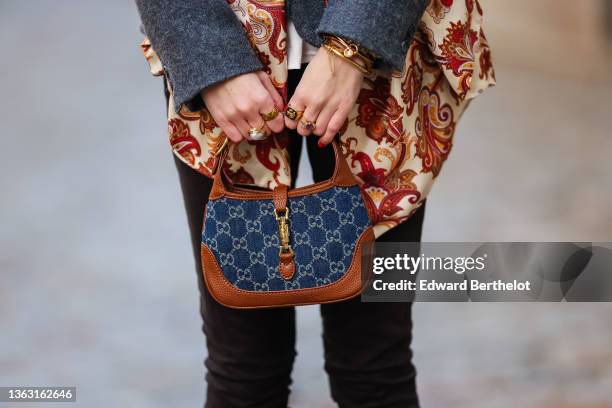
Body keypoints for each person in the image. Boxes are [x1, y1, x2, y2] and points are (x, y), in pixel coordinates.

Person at [135, 1, 433, 407]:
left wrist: (356, 42)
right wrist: (208, 54)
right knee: (242, 368)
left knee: (376, 364)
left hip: (378, 49)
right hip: (224, 51)